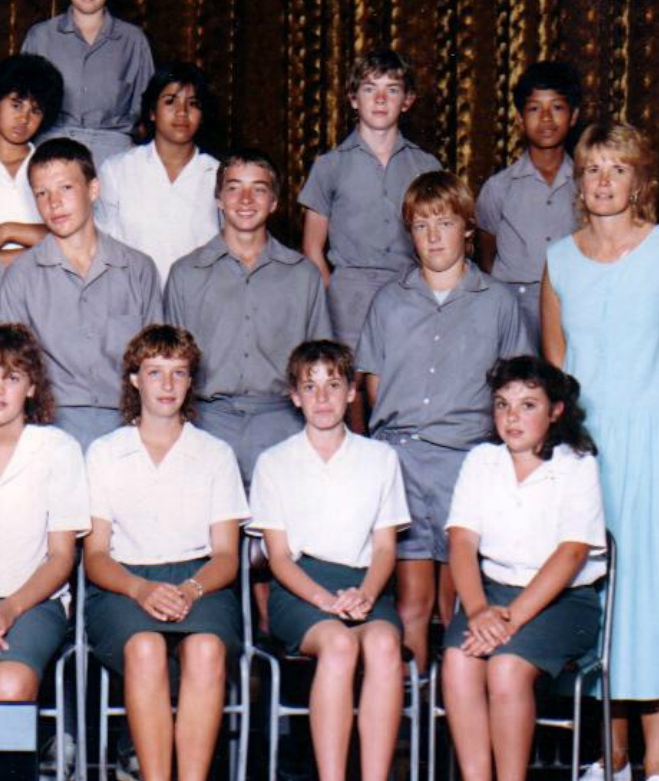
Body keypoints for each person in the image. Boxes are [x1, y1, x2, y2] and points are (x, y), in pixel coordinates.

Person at [540, 121, 659, 781]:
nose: (604, 181)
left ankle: (658, 766)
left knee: (657, 596)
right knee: (601, 596)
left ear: (639, 181)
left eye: (618, 169)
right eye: (593, 169)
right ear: (579, 182)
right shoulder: (559, 259)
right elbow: (555, 368)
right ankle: (610, 755)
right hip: (588, 452)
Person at [84, 325, 248, 781]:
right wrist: (139, 589)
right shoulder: (106, 452)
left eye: (179, 373)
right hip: (124, 583)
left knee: (205, 649)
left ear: (191, 381)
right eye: (155, 372)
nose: (167, 384)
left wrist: (192, 589)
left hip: (200, 579)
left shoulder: (215, 453)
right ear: (135, 380)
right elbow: (96, 556)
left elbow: (226, 555)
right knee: (146, 648)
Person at [356, 170, 531, 673]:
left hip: (467, 461)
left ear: (468, 228)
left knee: (458, 599)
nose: (434, 237)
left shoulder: (497, 301)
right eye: (421, 225)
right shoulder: (389, 300)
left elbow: (516, 389)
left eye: (445, 223)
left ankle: (456, 702)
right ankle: (415, 709)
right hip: (404, 461)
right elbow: (373, 384)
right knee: (412, 600)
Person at [249, 340, 411, 781]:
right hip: (302, 587)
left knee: (384, 645)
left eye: (333, 385)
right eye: (310, 386)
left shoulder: (380, 458)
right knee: (339, 646)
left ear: (351, 393)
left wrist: (366, 593)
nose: (322, 397)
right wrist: (323, 599)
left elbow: (384, 549)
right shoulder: (275, 462)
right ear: (294, 396)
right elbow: (277, 557)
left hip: (364, 586)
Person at [441, 356, 606, 781]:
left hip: (563, 600)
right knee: (459, 661)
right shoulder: (481, 462)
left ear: (555, 411)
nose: (512, 417)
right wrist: (479, 610)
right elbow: (461, 543)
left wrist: (508, 620)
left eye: (528, 405)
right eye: (502, 405)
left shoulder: (577, 465)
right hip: (491, 596)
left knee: (507, 669)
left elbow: (572, 554)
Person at [164, 148, 332, 484]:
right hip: (207, 422)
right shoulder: (186, 274)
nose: (245, 199)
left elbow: (321, 364)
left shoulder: (303, 275)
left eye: (258, 189)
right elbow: (169, 363)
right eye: (233, 187)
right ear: (218, 199)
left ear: (274, 202)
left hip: (282, 422)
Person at [299, 47, 440, 419]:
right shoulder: (329, 165)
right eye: (368, 88)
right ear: (352, 98)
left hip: (408, 287)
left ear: (407, 101)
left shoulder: (426, 165)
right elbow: (312, 247)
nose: (380, 99)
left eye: (391, 89)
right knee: (351, 386)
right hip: (349, 292)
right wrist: (333, 295)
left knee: (402, 379)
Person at [0, 138, 162, 452]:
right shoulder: (21, 276)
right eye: (42, 193)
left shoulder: (138, 269)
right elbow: (10, 369)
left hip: (126, 426)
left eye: (65, 188)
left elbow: (157, 361)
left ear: (93, 189)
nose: (54, 203)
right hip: (48, 428)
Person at [0, 324, 89, 703]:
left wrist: (10, 608)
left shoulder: (57, 450)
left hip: (33, 602)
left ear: (32, 387)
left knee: (9, 683)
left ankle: (12, 750)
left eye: (12, 378)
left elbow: (61, 557)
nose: (0, 389)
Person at [22, 0, 154, 170]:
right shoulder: (40, 36)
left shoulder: (133, 41)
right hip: (51, 154)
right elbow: (22, 106)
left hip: (114, 157)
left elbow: (148, 113)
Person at [477, 60, 582, 348]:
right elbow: (486, 253)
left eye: (557, 107)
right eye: (535, 109)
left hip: (570, 301)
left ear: (574, 116)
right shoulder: (499, 188)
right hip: (515, 302)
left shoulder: (587, 186)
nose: (546, 118)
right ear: (520, 119)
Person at [96, 62, 220, 287]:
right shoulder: (117, 170)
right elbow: (100, 247)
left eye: (193, 104)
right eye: (170, 101)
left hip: (198, 300)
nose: (182, 112)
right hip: (131, 299)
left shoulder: (218, 175)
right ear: (152, 112)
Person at [0, 54, 64, 268]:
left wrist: (8, 231)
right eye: (16, 105)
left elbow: (71, 234)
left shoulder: (54, 166)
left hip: (41, 277)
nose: (24, 119)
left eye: (35, 111)